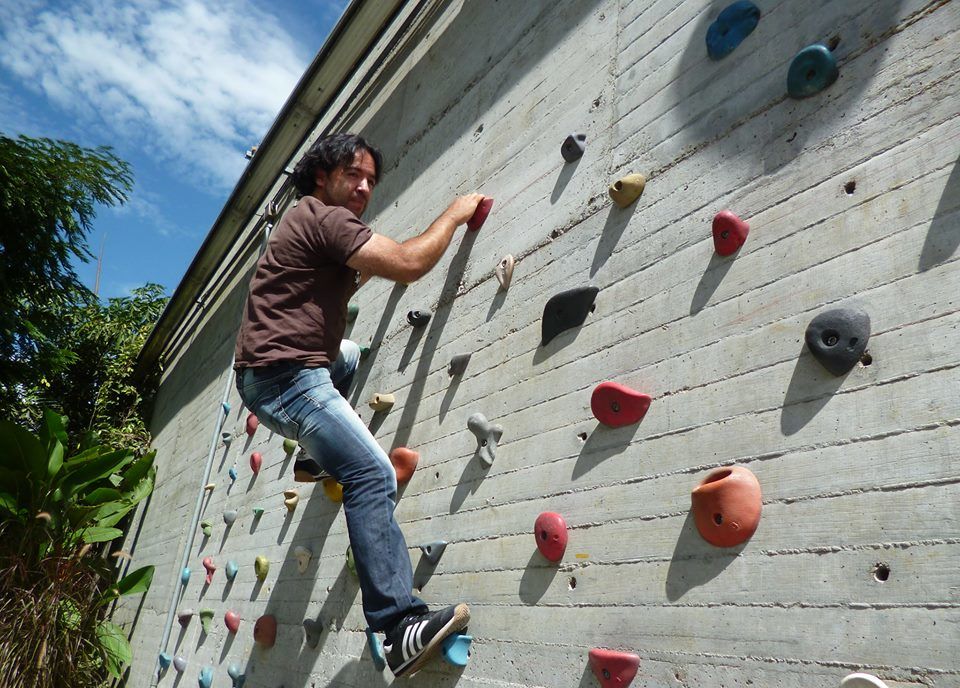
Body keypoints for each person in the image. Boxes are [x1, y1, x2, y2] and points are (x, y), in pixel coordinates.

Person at [233, 132, 483, 677]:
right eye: (353, 175)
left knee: (345, 354)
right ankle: (398, 628)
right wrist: (455, 213)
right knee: (372, 473)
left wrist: (367, 268)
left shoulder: (307, 225)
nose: (365, 187)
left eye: (372, 180)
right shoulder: (323, 217)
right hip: (286, 379)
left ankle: (313, 457)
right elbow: (409, 262)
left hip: (269, 375)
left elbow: (355, 272)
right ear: (321, 178)